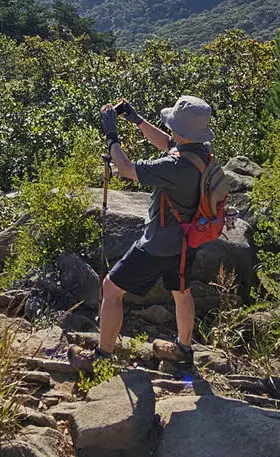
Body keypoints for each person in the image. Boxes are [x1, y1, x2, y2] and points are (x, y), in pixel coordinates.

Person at [72, 94, 215, 375]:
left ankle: (102, 357)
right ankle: (183, 351)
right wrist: (136, 120)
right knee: (181, 291)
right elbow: (167, 142)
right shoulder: (201, 153)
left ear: (180, 129)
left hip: (157, 246)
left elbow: (126, 169)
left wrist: (111, 136)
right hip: (186, 242)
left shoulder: (173, 167)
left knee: (111, 289)